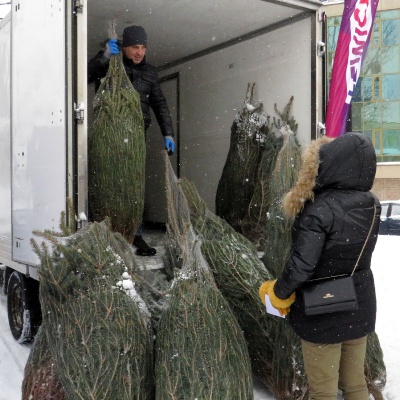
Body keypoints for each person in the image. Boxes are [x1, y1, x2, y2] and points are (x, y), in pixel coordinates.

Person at [259, 132, 381, 399]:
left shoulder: (319, 209)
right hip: (359, 302)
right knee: (355, 385)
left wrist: (278, 293)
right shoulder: (371, 203)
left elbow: (302, 265)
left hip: (323, 308)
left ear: (332, 164)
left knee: (323, 391)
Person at [88, 25, 175, 256]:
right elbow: (86, 75)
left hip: (135, 137)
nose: (139, 52)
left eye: (143, 47)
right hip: (109, 135)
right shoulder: (109, 66)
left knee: (134, 187)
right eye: (135, 47)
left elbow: (160, 104)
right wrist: (105, 56)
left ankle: (134, 234)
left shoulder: (150, 73)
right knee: (108, 184)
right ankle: (104, 233)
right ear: (124, 47)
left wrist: (168, 133)